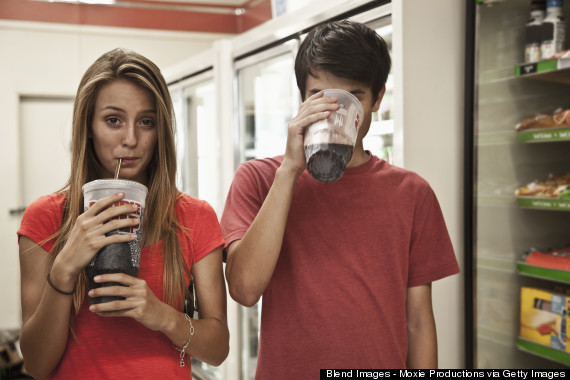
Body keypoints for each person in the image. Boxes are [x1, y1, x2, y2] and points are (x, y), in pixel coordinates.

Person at [221, 20, 460, 375]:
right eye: (319, 96)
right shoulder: (258, 178)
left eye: (354, 96)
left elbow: (419, 321)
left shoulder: (412, 193)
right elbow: (243, 289)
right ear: (302, 97)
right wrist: (289, 170)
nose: (335, 111)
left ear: (377, 99)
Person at [17, 48, 229, 380]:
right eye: (113, 120)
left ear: (161, 132)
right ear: (87, 126)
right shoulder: (44, 218)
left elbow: (218, 351)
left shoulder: (195, 217)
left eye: (146, 122)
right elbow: (36, 363)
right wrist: (64, 269)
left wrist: (161, 315)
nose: (130, 140)